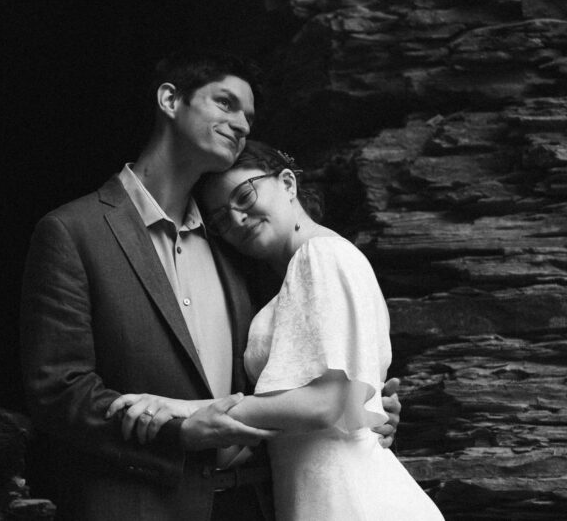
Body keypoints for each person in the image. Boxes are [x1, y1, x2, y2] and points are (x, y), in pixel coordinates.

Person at [20, 51, 400, 521]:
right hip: (142, 505)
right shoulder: (73, 231)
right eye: (225, 103)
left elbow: (301, 368)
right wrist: (177, 430)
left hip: (259, 503)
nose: (240, 123)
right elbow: (58, 392)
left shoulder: (241, 245)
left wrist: (361, 406)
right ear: (170, 100)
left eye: (248, 116)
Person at [108, 141, 442, 520]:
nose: (237, 219)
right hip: (316, 493)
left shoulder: (321, 256)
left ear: (287, 183)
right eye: (221, 218)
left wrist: (188, 409)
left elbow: (324, 403)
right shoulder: (291, 278)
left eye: (245, 196)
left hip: (351, 497)